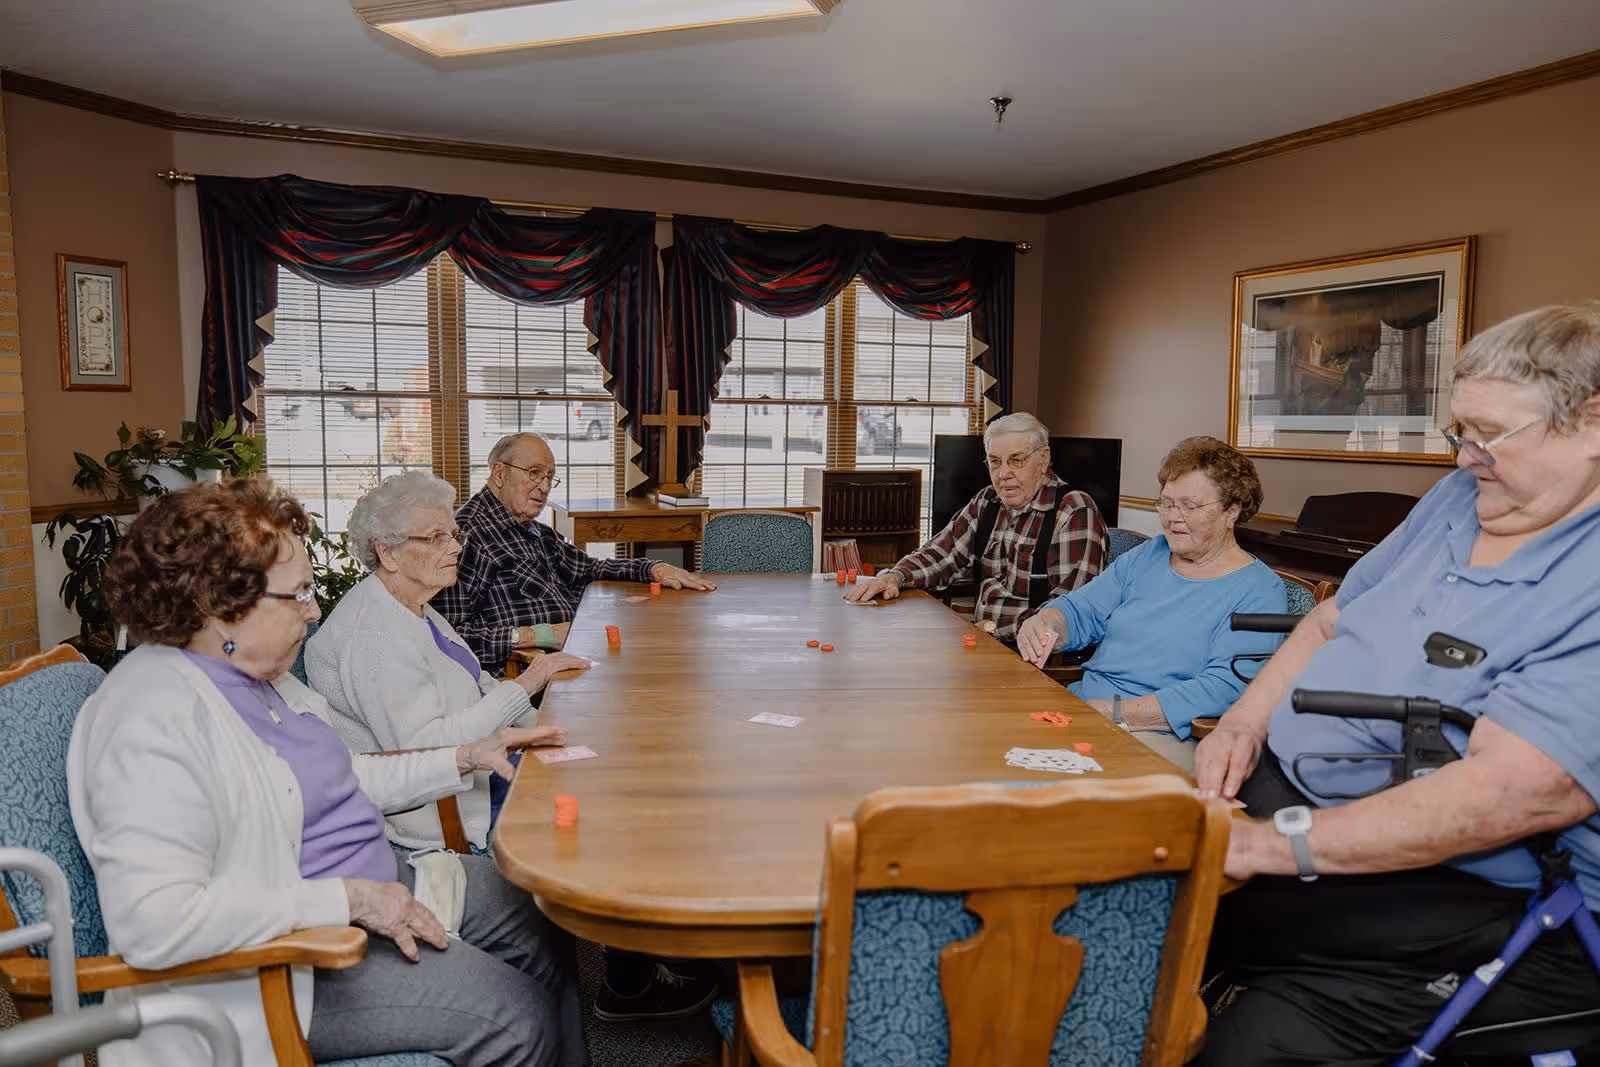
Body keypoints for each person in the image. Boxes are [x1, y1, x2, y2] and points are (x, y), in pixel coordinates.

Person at [1192, 305, 1600, 1066]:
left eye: (1489, 434)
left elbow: (1519, 794)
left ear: (1593, 423)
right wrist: (1242, 726)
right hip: (1297, 828)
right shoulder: (1460, 499)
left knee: (1238, 1047)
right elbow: (1324, 625)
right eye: (1459, 431)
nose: (1464, 456)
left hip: (1463, 899)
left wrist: (1266, 846)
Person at [66, 480, 586, 1067]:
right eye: (298, 596)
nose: (314, 611)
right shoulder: (150, 718)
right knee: (517, 1018)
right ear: (218, 604)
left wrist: (461, 757)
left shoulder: (262, 676)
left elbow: (339, 778)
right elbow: (157, 924)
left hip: (381, 877)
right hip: (287, 963)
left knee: (537, 919)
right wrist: (353, 899)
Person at [307, 470, 591, 846]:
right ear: (388, 552)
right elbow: (428, 751)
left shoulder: (414, 604)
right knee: (599, 811)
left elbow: (478, 683)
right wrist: (527, 683)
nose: (457, 548)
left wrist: (552, 727)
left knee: (601, 770)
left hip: (485, 773)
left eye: (454, 535)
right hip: (450, 808)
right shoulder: (374, 636)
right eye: (437, 538)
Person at [1016, 436, 1287, 771]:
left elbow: (1222, 689)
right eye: (1167, 504)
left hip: (1162, 734)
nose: (1173, 518)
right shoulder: (1149, 554)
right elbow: (1082, 609)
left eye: (1190, 506)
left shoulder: (1260, 591)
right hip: (1085, 708)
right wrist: (1048, 622)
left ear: (1232, 510)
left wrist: (1113, 712)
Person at [435, 432, 715, 673]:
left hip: (575, 647)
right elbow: (447, 637)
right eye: (534, 473)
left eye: (549, 477)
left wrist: (653, 569)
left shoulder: (533, 531)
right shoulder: (467, 536)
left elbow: (590, 568)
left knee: (670, 651)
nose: (544, 487)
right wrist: (539, 635)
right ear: (499, 474)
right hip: (530, 671)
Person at [844, 412, 1106, 642]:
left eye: (1016, 460)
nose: (1003, 474)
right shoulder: (987, 502)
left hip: (1032, 656)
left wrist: (991, 631)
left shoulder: (1073, 512)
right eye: (995, 461)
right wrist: (894, 576)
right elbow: (941, 554)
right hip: (984, 641)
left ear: (1043, 458)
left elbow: (1069, 612)